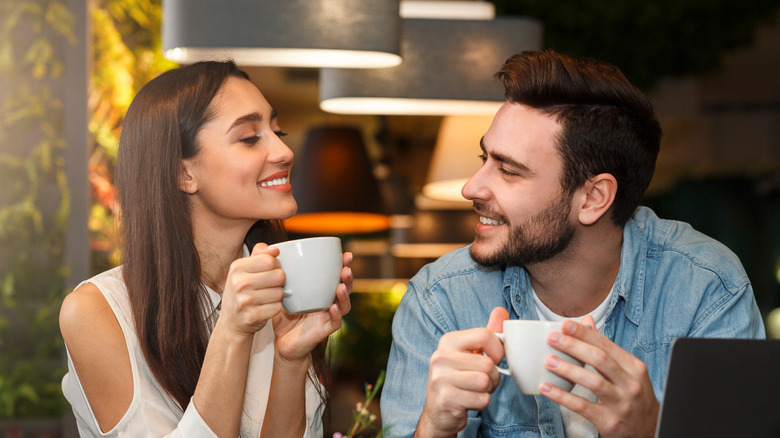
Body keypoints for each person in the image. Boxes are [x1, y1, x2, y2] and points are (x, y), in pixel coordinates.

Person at [380, 50, 765, 438]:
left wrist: (650, 432)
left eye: (508, 170)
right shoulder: (441, 298)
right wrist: (434, 428)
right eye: (484, 158)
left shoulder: (707, 287)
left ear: (593, 198)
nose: (471, 187)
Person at [59, 60, 353, 437]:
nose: (283, 150)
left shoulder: (284, 293)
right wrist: (232, 329)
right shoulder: (97, 311)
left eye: (277, 130)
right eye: (250, 137)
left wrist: (291, 358)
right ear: (184, 173)